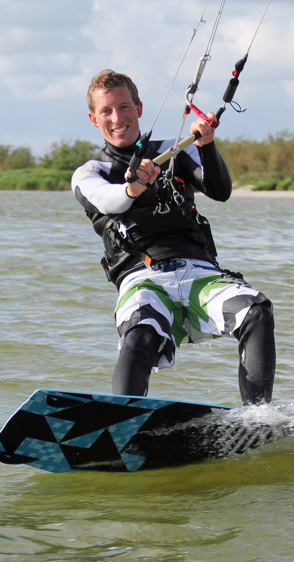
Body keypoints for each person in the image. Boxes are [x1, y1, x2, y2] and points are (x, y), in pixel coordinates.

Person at [71, 69, 275, 405]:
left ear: (138, 108)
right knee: (139, 335)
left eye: (124, 107)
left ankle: (258, 418)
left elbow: (219, 190)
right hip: (143, 282)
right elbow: (111, 200)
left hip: (200, 275)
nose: (117, 117)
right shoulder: (91, 173)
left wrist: (207, 146)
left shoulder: (173, 150)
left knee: (256, 310)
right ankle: (123, 423)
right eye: (106, 111)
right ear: (94, 119)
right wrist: (134, 186)